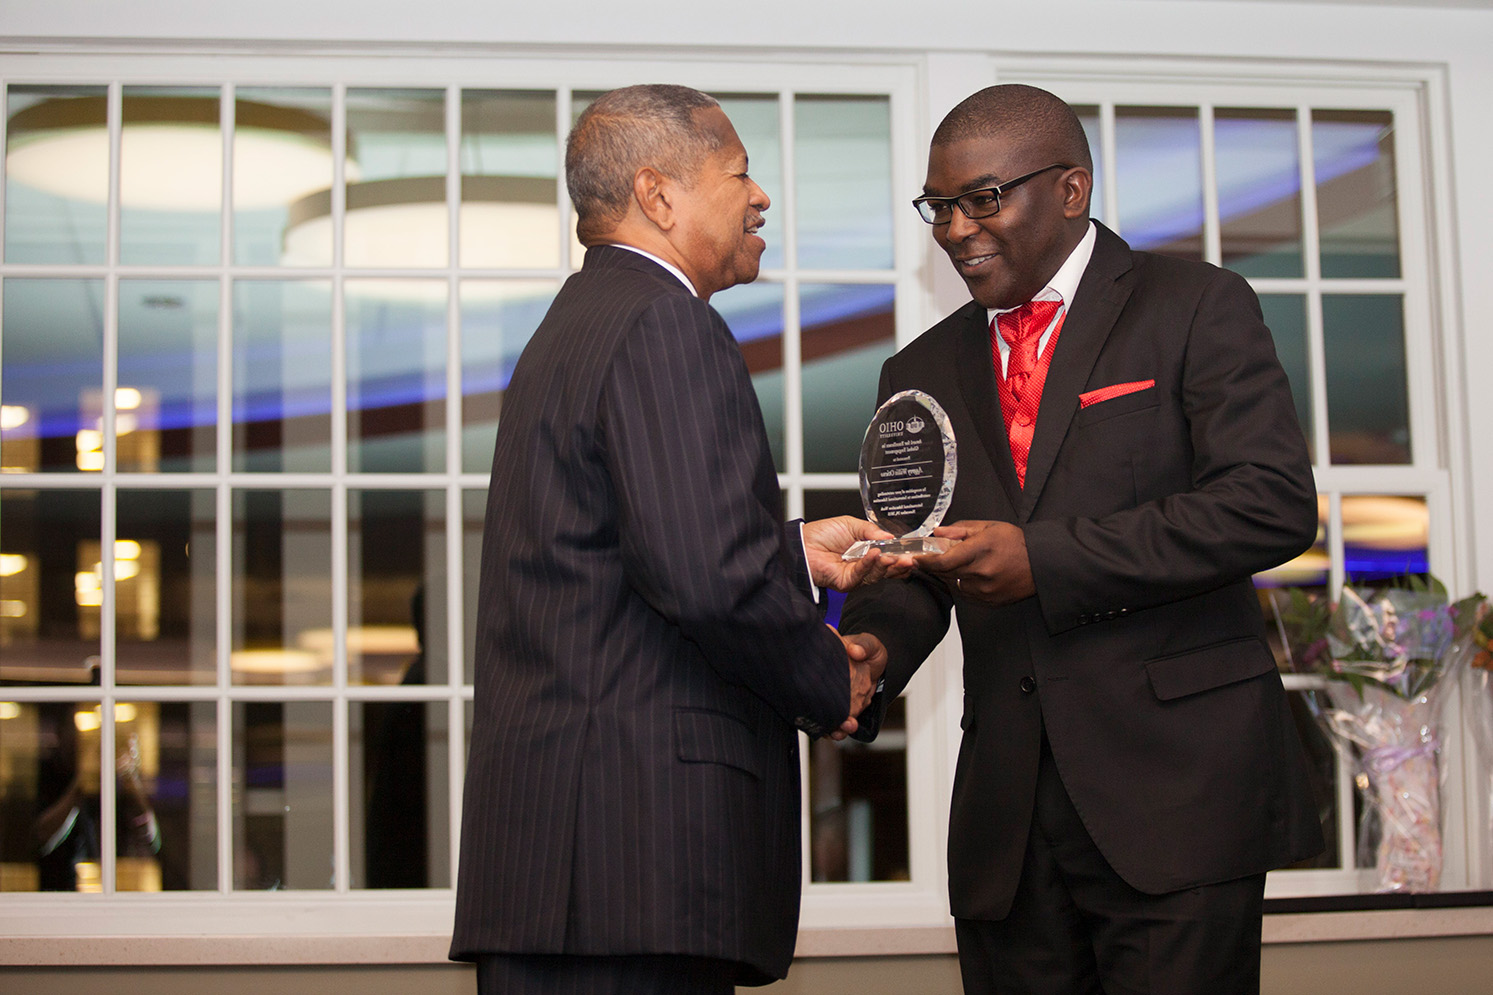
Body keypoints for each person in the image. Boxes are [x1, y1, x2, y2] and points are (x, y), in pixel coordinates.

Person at [839, 84, 1325, 995]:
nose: (953, 230)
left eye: (982, 199)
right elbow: (912, 557)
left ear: (1071, 188)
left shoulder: (1194, 305)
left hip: (1176, 800)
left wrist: (1045, 560)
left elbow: (1269, 504)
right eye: (938, 207)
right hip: (1006, 823)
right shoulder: (919, 370)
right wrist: (870, 646)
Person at [450, 83, 908, 995]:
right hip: (634, 866)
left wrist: (783, 550)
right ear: (658, 196)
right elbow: (703, 580)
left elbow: (620, 552)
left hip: (563, 874)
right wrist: (835, 678)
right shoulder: (668, 325)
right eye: (739, 173)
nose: (761, 196)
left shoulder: (569, 330)